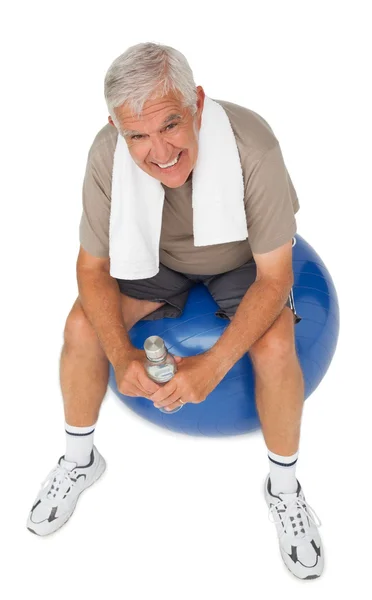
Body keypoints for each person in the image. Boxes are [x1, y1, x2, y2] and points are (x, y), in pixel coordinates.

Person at [27, 42, 323, 580]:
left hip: (241, 261)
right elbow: (92, 270)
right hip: (153, 258)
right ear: (117, 127)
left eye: (169, 125)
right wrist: (121, 357)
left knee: (277, 345)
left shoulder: (251, 144)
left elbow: (276, 275)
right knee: (80, 327)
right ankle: (79, 460)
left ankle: (285, 490)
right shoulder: (106, 155)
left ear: (198, 105)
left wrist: (212, 366)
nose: (157, 150)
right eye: (136, 135)